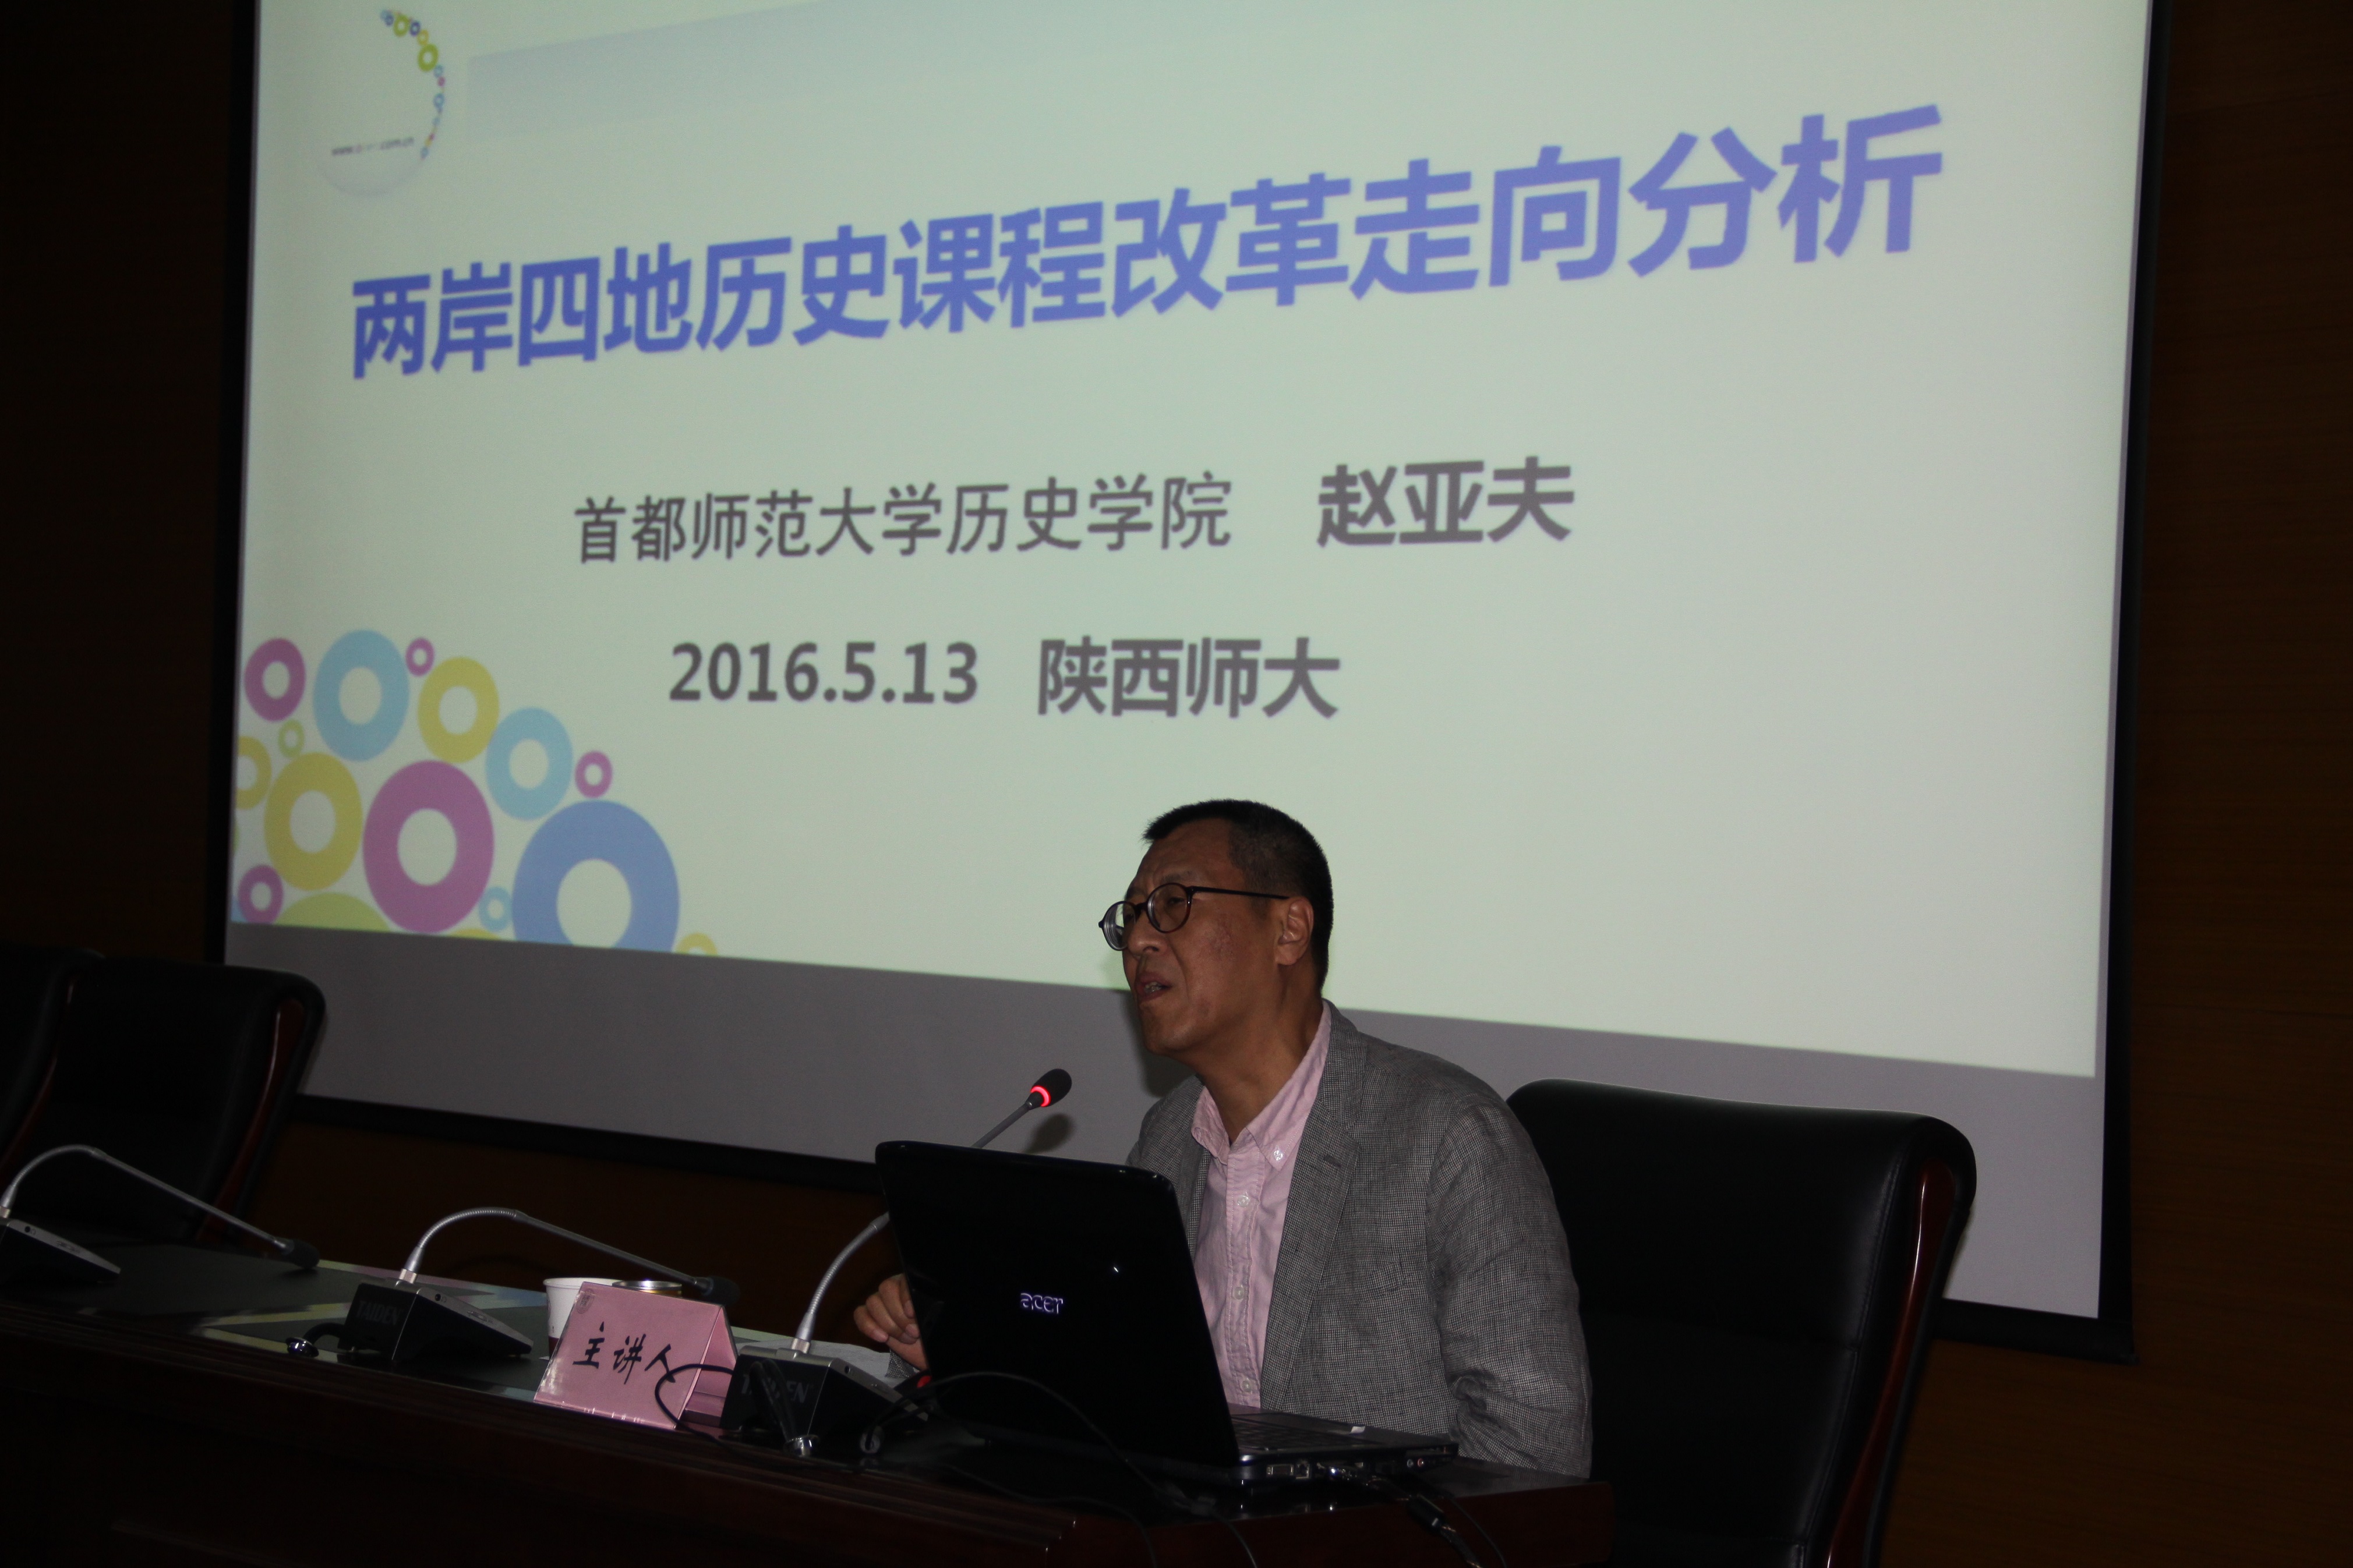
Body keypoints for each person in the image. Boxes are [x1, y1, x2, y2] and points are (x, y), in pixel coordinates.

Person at [854, 799, 1591, 1474]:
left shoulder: (1447, 1137)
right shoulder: (1169, 1135)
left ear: (1288, 929)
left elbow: (1535, 1452)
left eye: (1171, 904)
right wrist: (965, 1349)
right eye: (1130, 916)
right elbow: (1124, 1392)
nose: (1139, 939)